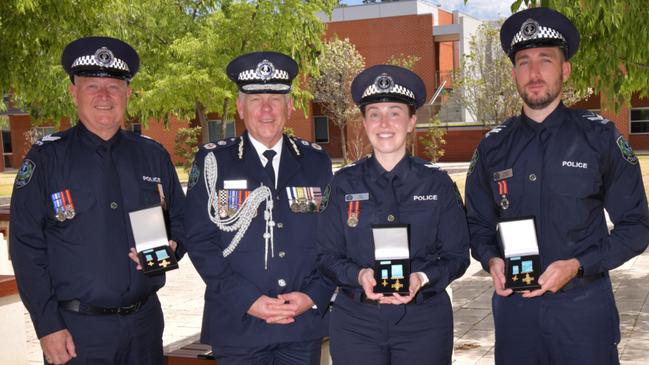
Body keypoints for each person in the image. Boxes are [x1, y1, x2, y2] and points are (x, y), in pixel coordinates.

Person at [465, 7, 649, 365]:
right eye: (523, 62)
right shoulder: (492, 146)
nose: (534, 73)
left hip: (583, 311)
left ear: (564, 70)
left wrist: (579, 264)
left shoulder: (599, 138)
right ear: (514, 73)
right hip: (515, 315)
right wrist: (490, 259)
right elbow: (476, 224)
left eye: (545, 60)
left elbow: (637, 226)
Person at [10, 36, 185, 365]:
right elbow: (25, 246)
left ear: (128, 94)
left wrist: (172, 247)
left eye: (114, 87)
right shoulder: (46, 159)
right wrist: (47, 326)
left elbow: (182, 220)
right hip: (78, 334)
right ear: (74, 92)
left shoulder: (152, 156)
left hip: (145, 325)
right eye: (92, 86)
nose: (105, 97)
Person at [184, 51, 335, 365]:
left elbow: (333, 240)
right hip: (238, 325)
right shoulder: (213, 162)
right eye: (255, 99)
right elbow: (199, 241)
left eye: (276, 98)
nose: (266, 108)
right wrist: (247, 300)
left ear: (289, 106)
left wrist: (312, 295)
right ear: (240, 107)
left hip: (300, 325)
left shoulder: (315, 161)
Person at [317, 64, 470, 364]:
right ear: (363, 121)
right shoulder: (342, 184)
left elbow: (457, 255)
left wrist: (422, 277)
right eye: (374, 113)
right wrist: (358, 275)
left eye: (395, 112)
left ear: (412, 121)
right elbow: (325, 256)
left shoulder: (437, 184)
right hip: (356, 322)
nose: (384, 122)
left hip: (424, 322)